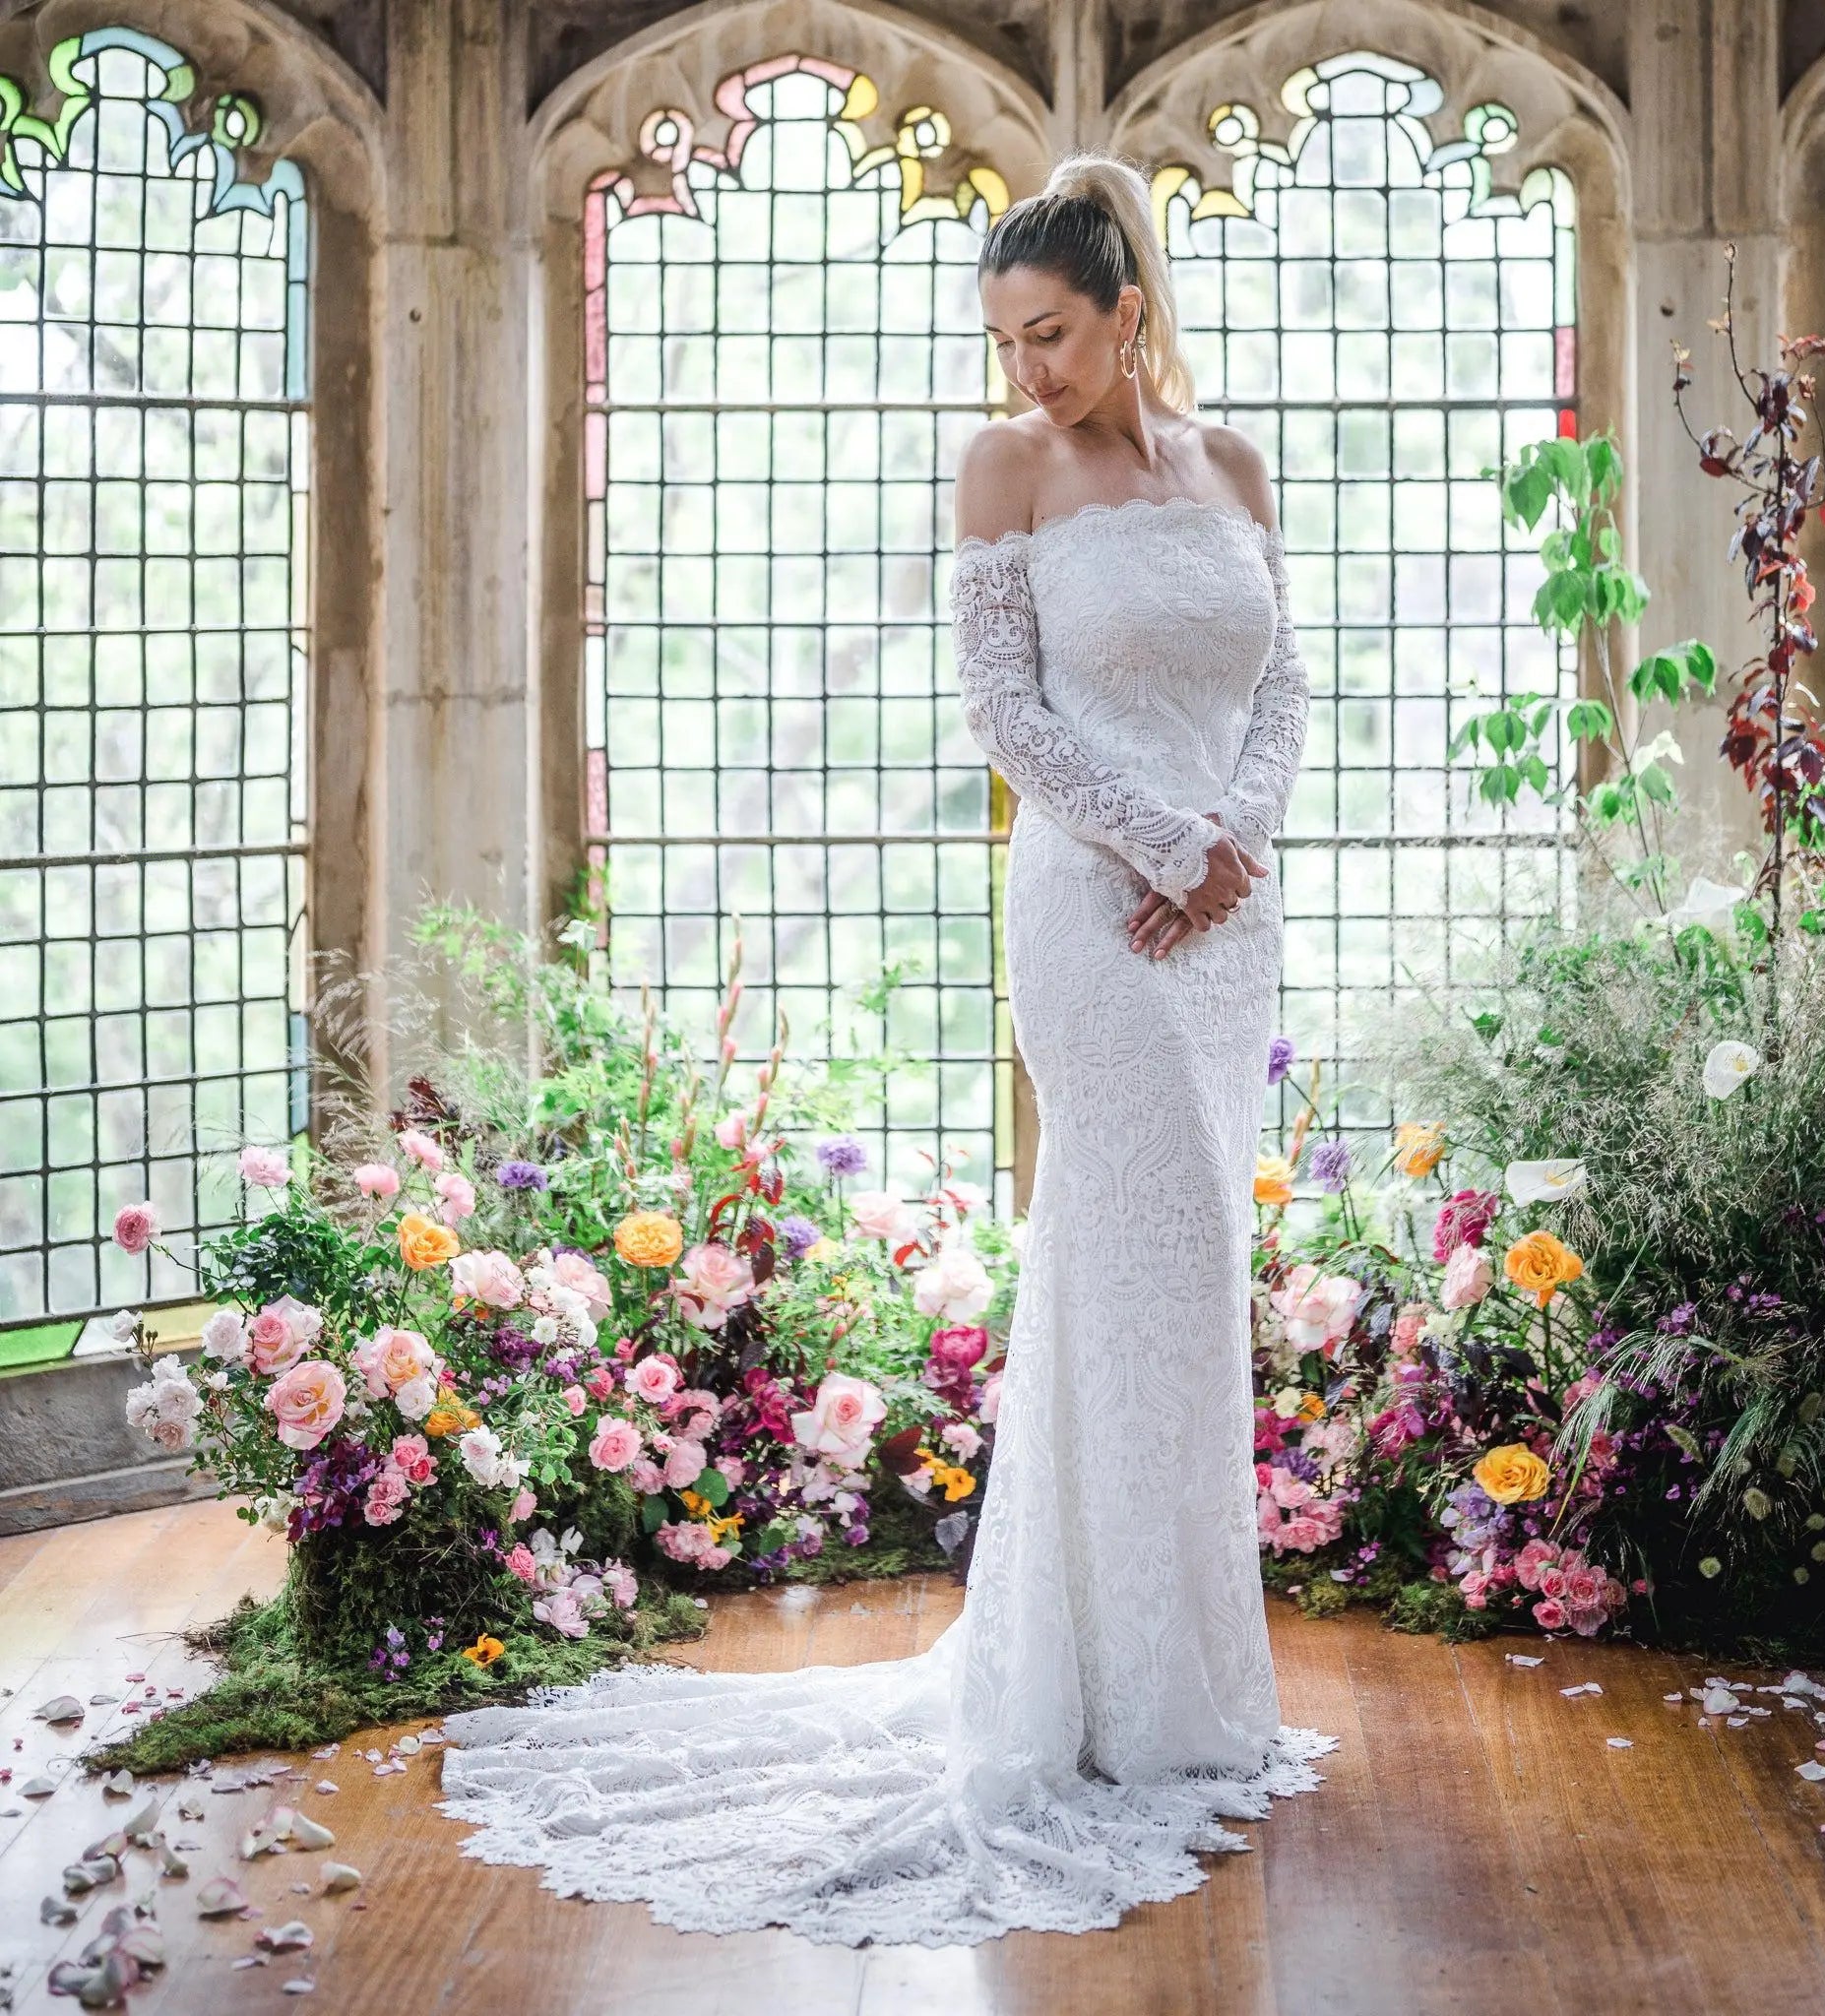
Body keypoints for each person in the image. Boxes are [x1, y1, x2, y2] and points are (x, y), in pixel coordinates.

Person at [438, 150, 1326, 1947]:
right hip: (1092, 917)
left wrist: (1233, 845)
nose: (1028, 371)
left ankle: (1175, 1693)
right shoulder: (1004, 468)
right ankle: (1082, 1703)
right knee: (1123, 1268)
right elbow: (1002, 711)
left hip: (1225, 932)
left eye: (1056, 335)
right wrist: (1164, 849)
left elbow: (1285, 684)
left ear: (1127, 312)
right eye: (1006, 339)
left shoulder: (1231, 467)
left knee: (1185, 1282)